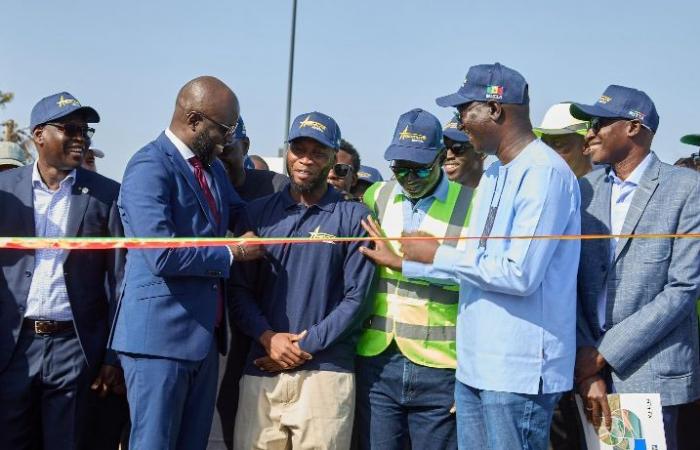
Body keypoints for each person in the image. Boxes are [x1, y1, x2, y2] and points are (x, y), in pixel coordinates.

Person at [399, 63, 581, 450]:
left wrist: (437, 254)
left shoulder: (544, 173)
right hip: (476, 366)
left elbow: (519, 274)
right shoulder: (496, 171)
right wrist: (408, 260)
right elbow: (476, 260)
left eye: (466, 111)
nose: (460, 123)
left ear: (496, 110)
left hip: (516, 371)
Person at [109, 76, 264, 450]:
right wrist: (231, 253)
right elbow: (161, 253)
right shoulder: (148, 166)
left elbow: (241, 215)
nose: (228, 140)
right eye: (223, 129)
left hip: (204, 339)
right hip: (158, 341)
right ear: (194, 119)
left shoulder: (210, 169)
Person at [231, 111, 375, 450]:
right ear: (287, 152)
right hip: (262, 367)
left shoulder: (355, 217)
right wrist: (268, 338)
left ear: (333, 158)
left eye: (318, 152)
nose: (306, 160)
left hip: (326, 373)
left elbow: (357, 299)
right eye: (298, 149)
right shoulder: (258, 213)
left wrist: (300, 348)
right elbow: (238, 291)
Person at [571, 85, 700, 450]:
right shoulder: (584, 190)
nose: (589, 132)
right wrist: (586, 364)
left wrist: (602, 355)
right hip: (588, 375)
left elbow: (683, 288)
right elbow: (571, 282)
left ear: (633, 126)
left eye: (599, 122)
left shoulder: (688, 189)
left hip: (646, 374)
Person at [0, 91, 125, 449]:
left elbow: (120, 281)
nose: (81, 138)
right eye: (69, 128)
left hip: (74, 347)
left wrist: (112, 354)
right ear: (39, 134)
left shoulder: (106, 195)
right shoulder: (4, 191)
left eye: (85, 131)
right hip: (12, 348)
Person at [356, 108, 476, 450]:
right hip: (378, 362)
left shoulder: (472, 205)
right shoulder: (375, 197)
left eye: (420, 168)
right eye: (400, 168)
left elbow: (481, 278)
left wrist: (407, 264)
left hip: (442, 367)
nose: (409, 178)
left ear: (442, 155)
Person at [213, 115, 288, 450]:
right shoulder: (198, 188)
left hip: (262, 331)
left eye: (227, 152)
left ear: (245, 146)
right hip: (213, 332)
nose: (219, 162)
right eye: (212, 156)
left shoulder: (276, 189)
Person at [218, 116, 289, 201]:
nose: (217, 159)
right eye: (209, 150)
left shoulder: (276, 189)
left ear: (245, 146)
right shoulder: (200, 191)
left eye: (225, 150)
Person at [534, 102, 592, 178]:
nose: (547, 154)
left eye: (557, 144)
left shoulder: (608, 187)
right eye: (544, 145)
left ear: (586, 145)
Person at [442, 117, 484, 188]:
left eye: (457, 147)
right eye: (443, 149)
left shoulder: (499, 190)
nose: (448, 156)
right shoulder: (442, 196)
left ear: (482, 152)